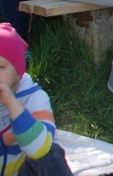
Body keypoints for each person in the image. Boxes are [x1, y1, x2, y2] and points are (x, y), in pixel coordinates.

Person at [0, 23, 74, 176]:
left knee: (50, 152)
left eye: (1, 67)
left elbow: (39, 149)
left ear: (18, 73)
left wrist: (12, 104)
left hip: (21, 171)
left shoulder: (35, 98)